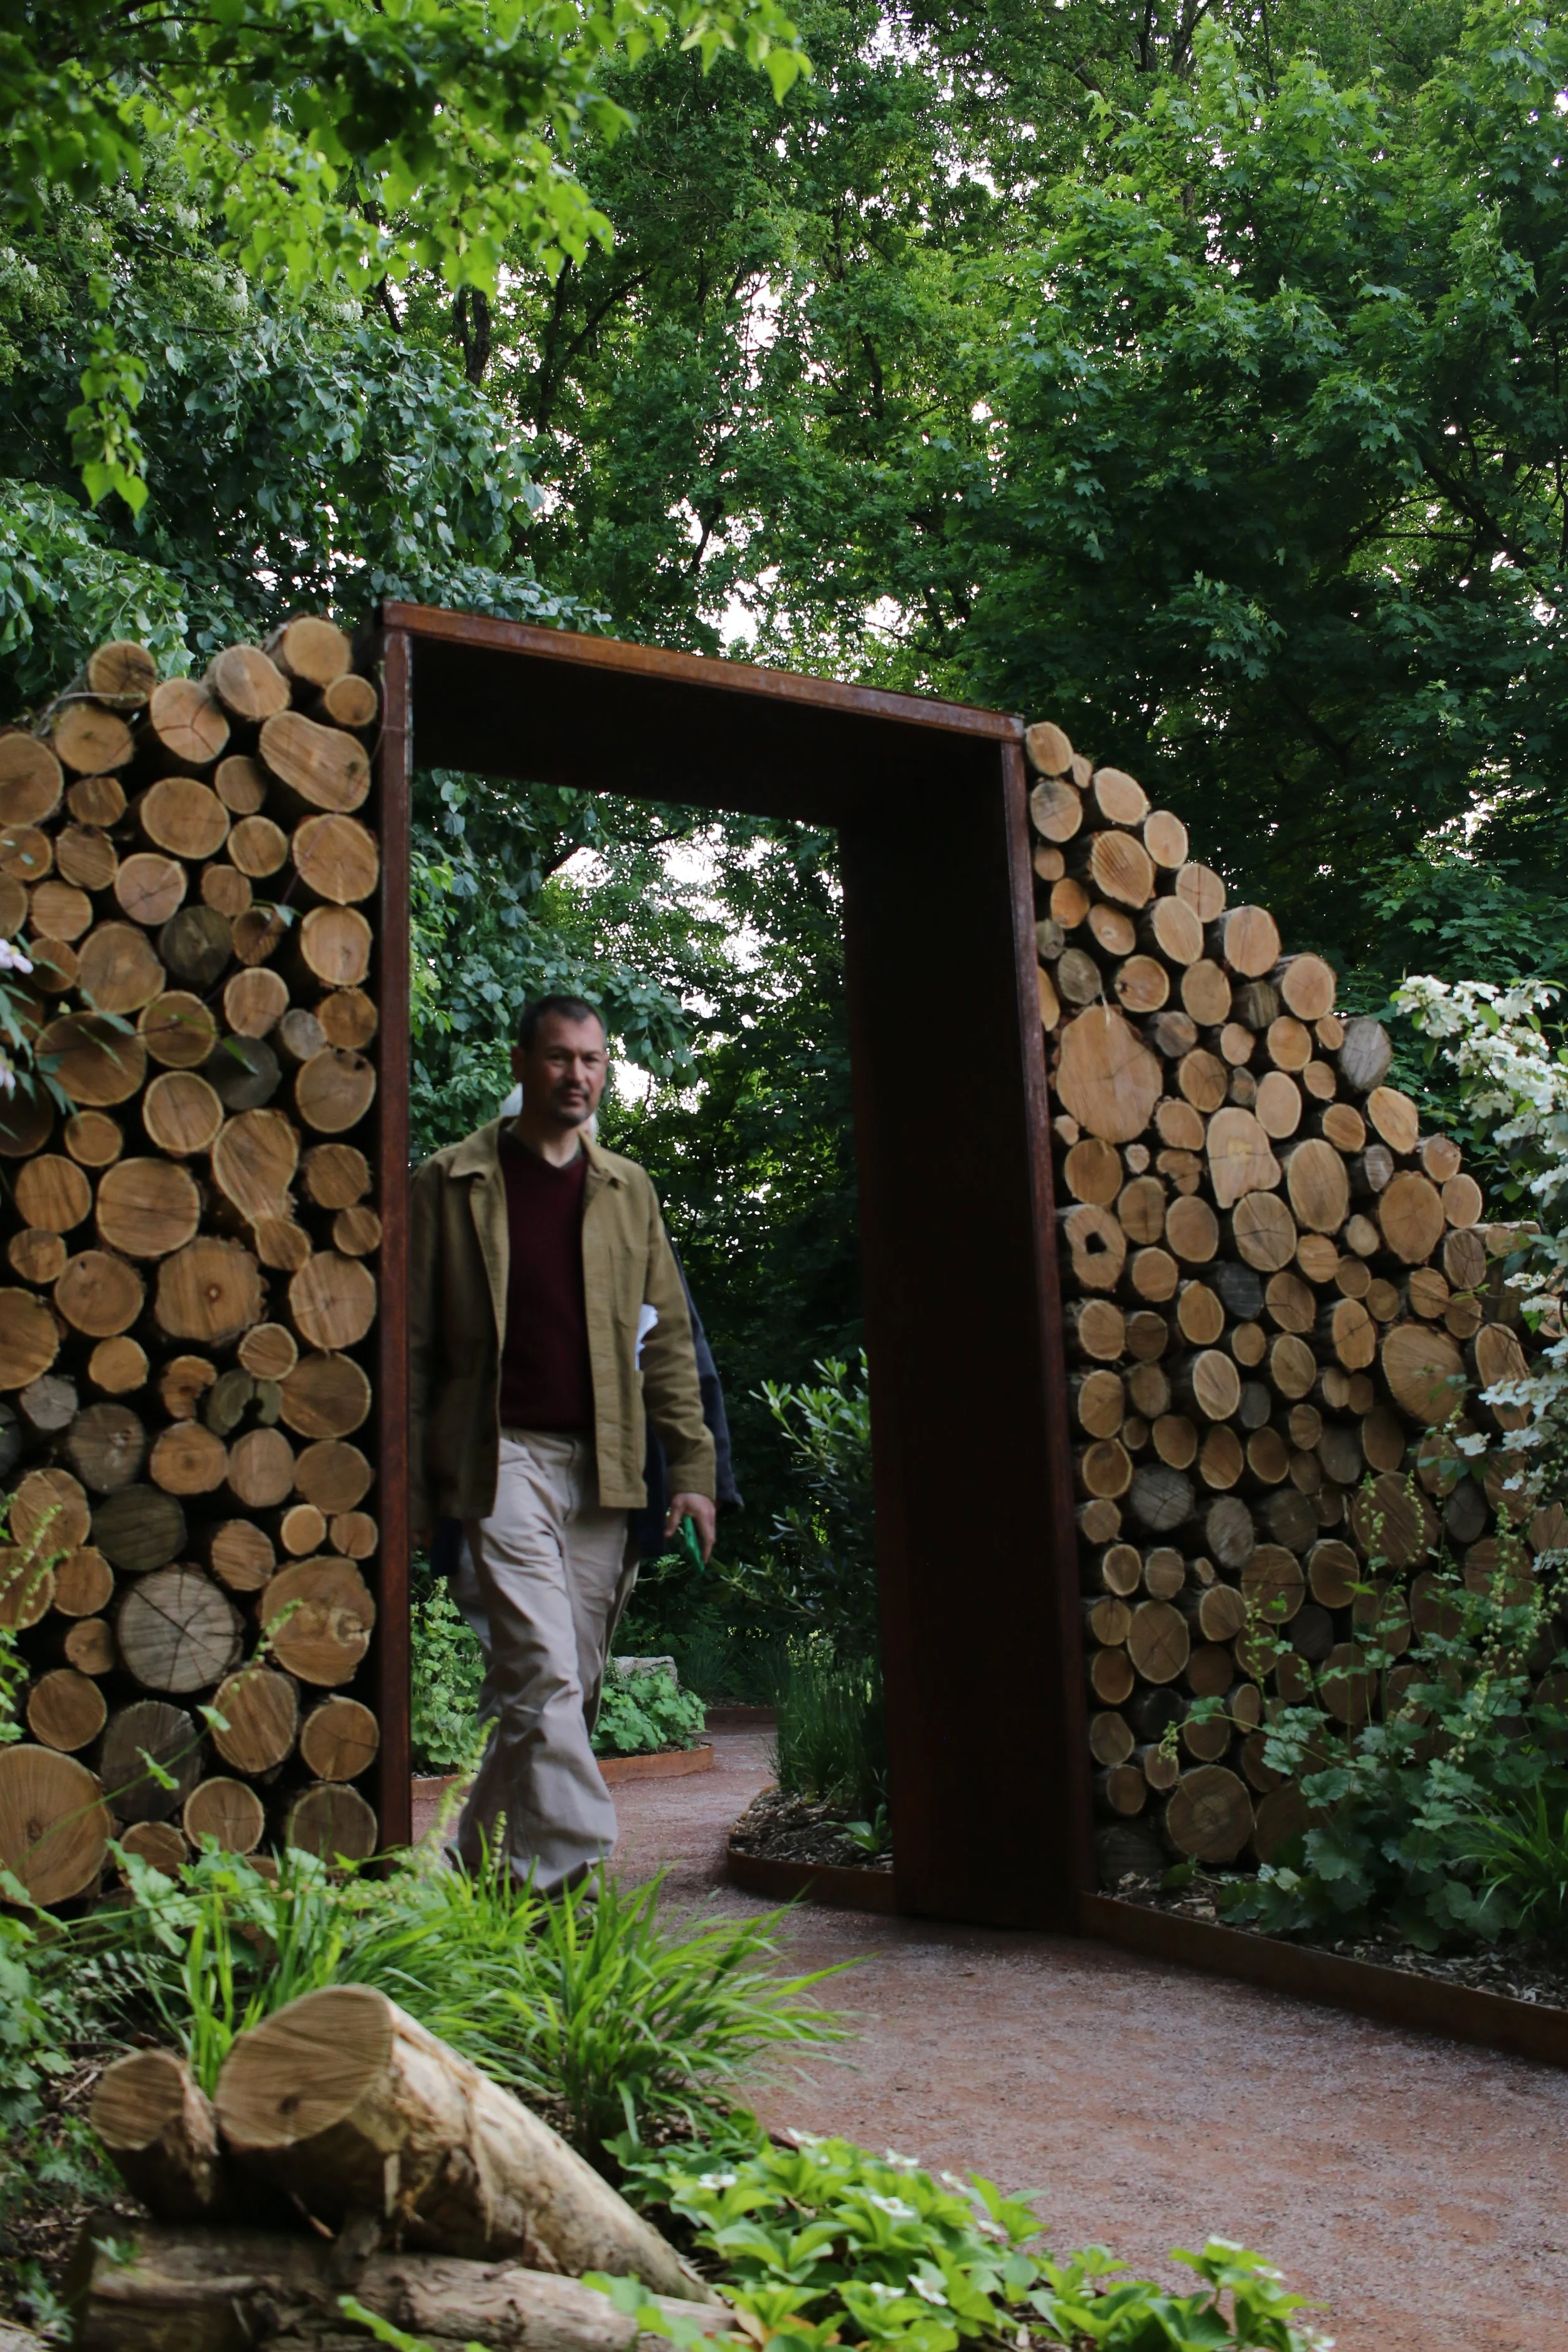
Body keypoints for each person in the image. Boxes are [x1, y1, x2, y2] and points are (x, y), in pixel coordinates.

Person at [410, 994, 716, 1888]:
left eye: (591, 1059)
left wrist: (691, 1471)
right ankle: (570, 1881)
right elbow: (415, 1345)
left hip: (605, 1468)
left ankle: (472, 1868)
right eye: (558, 1057)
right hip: (496, 1457)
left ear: (605, 1069)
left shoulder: (628, 1188)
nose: (576, 1074)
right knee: (542, 1672)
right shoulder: (452, 1180)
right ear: (520, 1063)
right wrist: (415, 1489)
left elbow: (665, 1341)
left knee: (564, 1695)